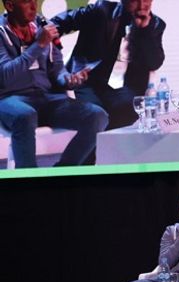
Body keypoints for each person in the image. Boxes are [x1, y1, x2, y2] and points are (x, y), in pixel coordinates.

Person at [0, 0, 108, 168]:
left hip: (45, 99)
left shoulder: (42, 27)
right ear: (10, 6)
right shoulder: (1, 33)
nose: (33, 6)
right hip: (10, 100)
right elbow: (5, 76)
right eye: (26, 2)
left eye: (34, 0)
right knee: (25, 115)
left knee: (97, 116)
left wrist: (69, 80)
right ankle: (29, 182)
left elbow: (57, 70)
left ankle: (61, 173)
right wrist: (39, 45)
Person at [51, 0, 165, 130]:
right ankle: (95, 147)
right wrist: (52, 55)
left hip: (125, 86)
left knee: (129, 108)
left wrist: (145, 30)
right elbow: (56, 24)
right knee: (95, 113)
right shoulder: (102, 10)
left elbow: (154, 62)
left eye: (146, 0)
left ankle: (105, 146)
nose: (141, 5)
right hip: (89, 80)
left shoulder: (155, 25)